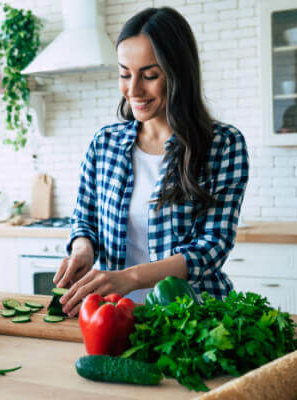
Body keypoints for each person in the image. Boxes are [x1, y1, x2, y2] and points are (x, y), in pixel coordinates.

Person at [53, 7, 249, 317]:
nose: (133, 90)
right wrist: (82, 250)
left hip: (194, 318)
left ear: (178, 73)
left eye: (149, 75)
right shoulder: (105, 143)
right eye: (124, 74)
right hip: (114, 316)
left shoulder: (222, 145)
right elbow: (85, 220)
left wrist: (128, 278)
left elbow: (212, 248)